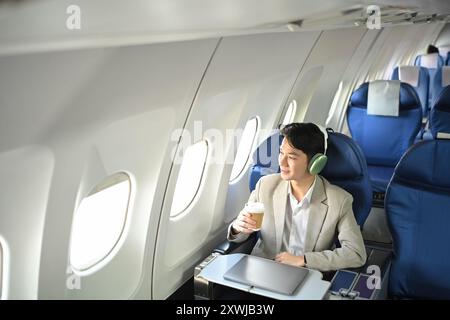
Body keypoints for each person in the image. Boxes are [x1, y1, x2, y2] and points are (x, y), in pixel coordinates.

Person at [227, 123, 366, 272]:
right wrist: (237, 228)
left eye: (292, 157)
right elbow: (241, 235)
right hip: (263, 270)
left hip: (306, 275)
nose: (281, 162)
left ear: (315, 163)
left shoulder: (339, 200)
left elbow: (356, 253)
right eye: (281, 153)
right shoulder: (265, 186)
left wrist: (304, 260)